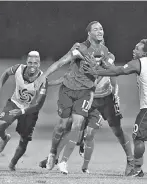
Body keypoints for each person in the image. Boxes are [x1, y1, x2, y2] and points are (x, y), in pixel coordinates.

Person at [39, 51, 134, 175]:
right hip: (88, 96)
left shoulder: (108, 57)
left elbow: (111, 74)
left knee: (117, 130)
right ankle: (54, 157)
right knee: (70, 126)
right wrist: (49, 83)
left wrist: (115, 95)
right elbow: (70, 76)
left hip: (106, 98)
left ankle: (131, 162)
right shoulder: (83, 57)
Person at [83, 39, 147, 177]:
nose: (134, 50)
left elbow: (118, 71)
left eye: (137, 49)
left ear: (144, 53)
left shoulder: (138, 63)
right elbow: (115, 69)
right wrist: (105, 65)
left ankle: (137, 169)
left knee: (137, 137)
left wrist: (95, 70)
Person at [34, 21, 111, 171]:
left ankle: (63, 161)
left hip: (85, 93)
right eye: (96, 29)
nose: (100, 31)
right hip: (68, 91)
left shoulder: (105, 51)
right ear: (89, 33)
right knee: (62, 125)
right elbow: (60, 63)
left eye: (101, 28)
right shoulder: (80, 48)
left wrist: (99, 74)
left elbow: (109, 71)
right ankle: (52, 153)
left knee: (77, 125)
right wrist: (43, 77)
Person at [0, 51, 48, 171]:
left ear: (39, 64)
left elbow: (38, 105)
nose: (33, 65)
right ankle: (5, 138)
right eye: (30, 62)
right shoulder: (18, 68)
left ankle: (12, 164)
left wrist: (22, 111)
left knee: (24, 140)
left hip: (29, 111)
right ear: (26, 62)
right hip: (14, 103)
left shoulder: (43, 80)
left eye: (36, 63)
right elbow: (6, 73)